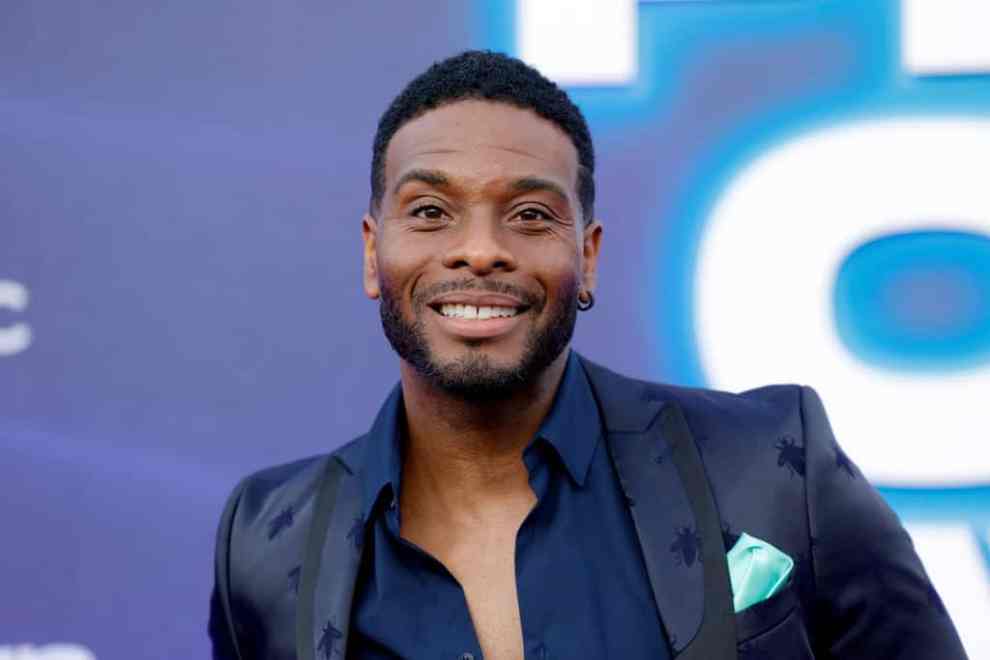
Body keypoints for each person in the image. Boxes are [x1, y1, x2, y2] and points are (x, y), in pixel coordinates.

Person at [208, 51, 967, 660]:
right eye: (432, 212)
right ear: (375, 254)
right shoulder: (269, 541)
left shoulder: (771, 464)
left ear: (588, 256)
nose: (479, 250)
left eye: (531, 215)